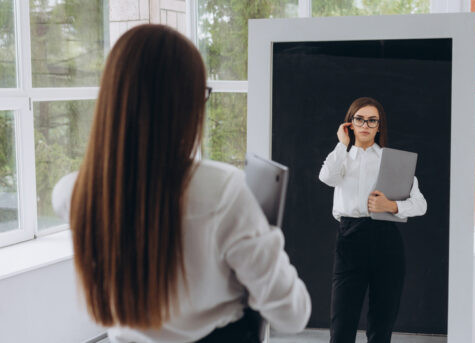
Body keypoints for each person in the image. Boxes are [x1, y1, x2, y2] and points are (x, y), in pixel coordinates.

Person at [51, 24, 310, 343]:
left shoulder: (71, 194)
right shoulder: (223, 191)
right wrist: (263, 234)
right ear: (183, 104)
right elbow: (293, 315)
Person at [319, 97, 427, 343]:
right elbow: (326, 177)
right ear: (350, 123)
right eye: (359, 119)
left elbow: (421, 204)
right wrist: (341, 144)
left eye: (372, 120)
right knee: (342, 325)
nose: (365, 124)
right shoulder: (342, 158)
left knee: (382, 324)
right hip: (350, 238)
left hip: (386, 240)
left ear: (379, 126)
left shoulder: (392, 161)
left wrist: (392, 205)